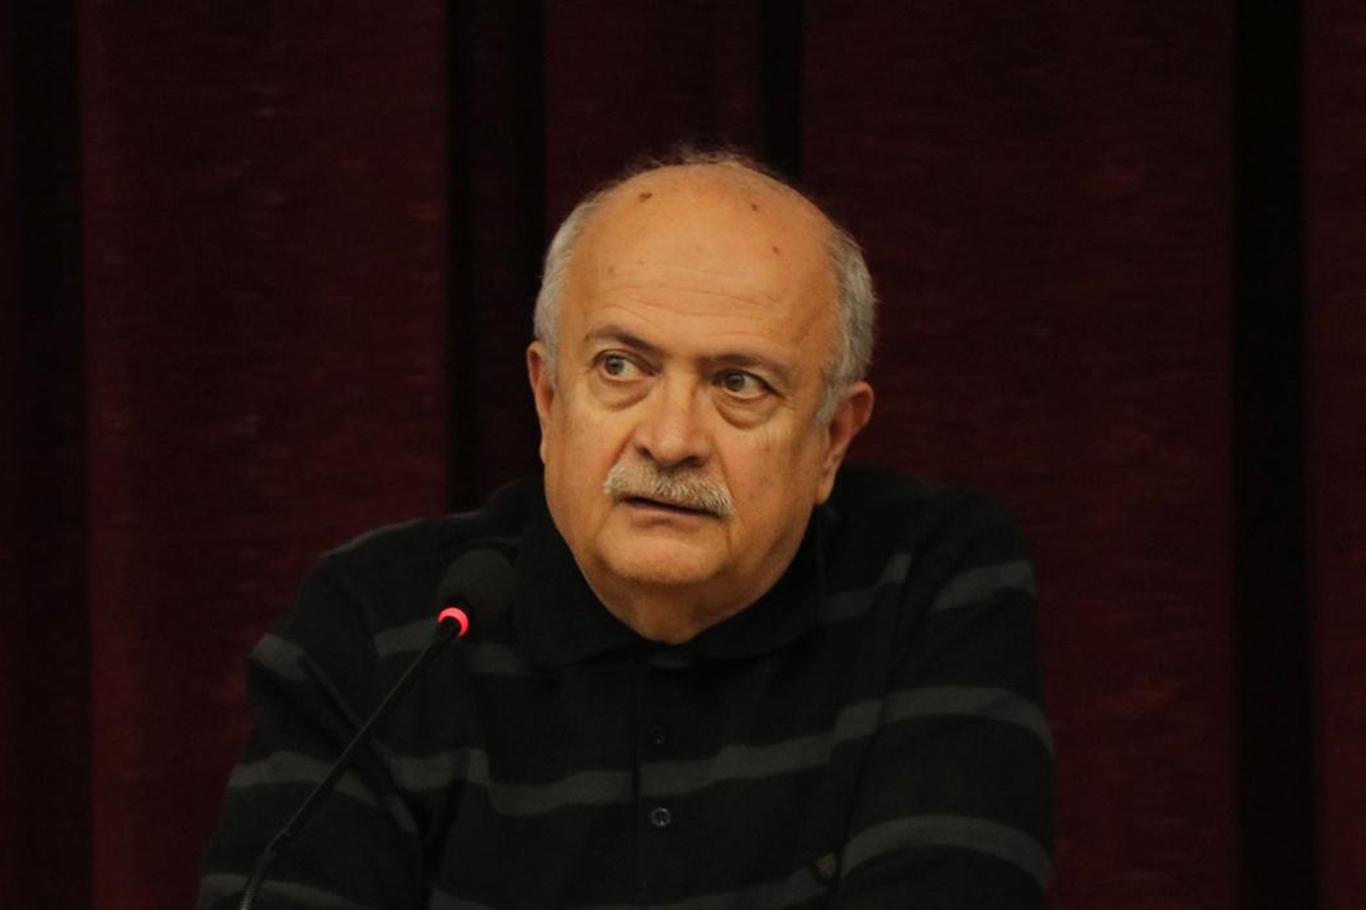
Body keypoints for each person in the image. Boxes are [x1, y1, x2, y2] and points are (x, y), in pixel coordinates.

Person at [199, 152, 1053, 908]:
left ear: (831, 438)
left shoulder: (928, 580)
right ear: (547, 399)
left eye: (739, 383)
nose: (671, 439)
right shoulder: (380, 626)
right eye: (621, 367)